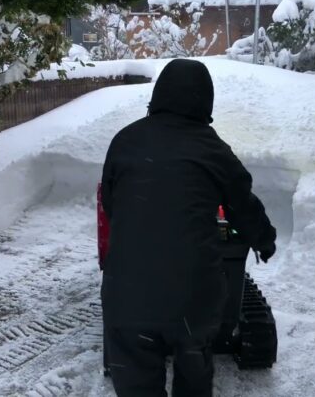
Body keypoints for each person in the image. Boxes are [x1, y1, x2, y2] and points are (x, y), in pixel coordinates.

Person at [100, 59, 276, 397]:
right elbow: (243, 205)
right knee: (194, 370)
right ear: (204, 101)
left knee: (137, 382)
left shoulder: (125, 141)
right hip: (193, 300)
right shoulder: (212, 149)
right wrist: (263, 239)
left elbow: (112, 204)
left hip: (128, 295)